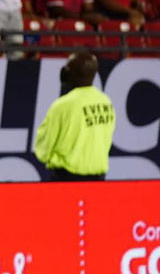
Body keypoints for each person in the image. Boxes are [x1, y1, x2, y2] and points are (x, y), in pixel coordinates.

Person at [34, 51, 114, 181]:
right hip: (98, 179)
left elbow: (44, 147)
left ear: (71, 72)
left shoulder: (62, 105)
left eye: (67, 66)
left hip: (66, 178)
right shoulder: (106, 102)